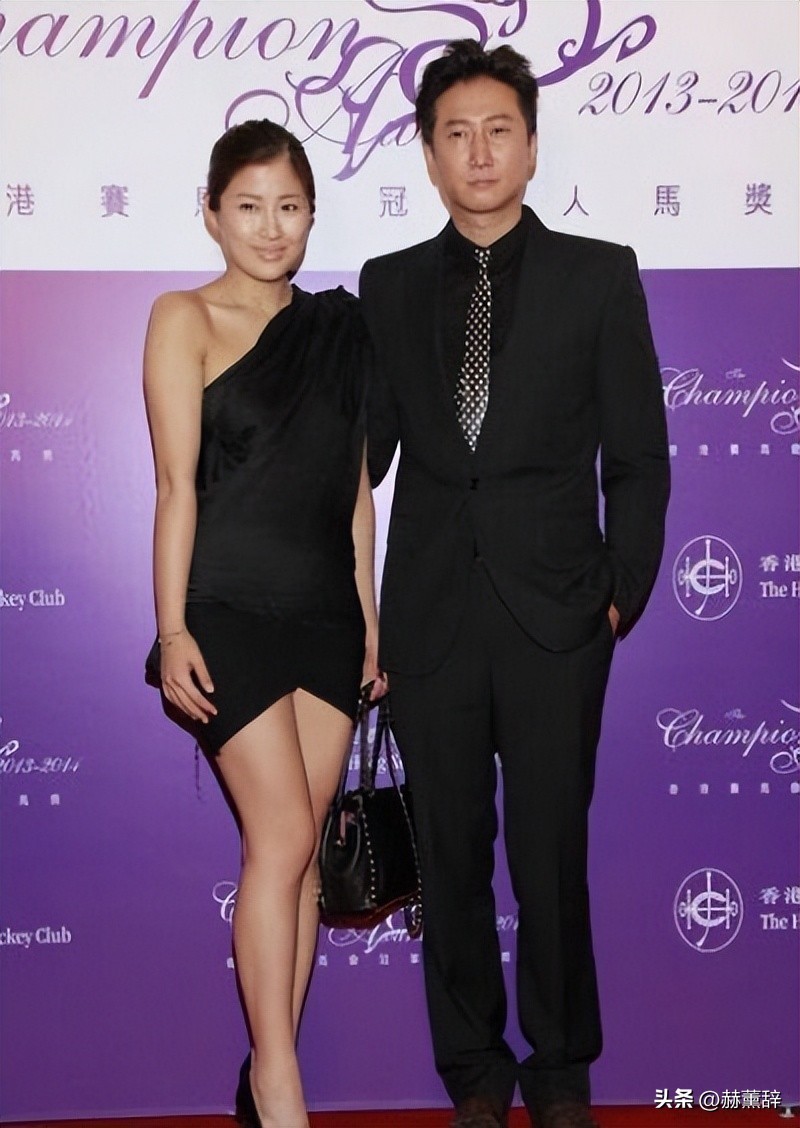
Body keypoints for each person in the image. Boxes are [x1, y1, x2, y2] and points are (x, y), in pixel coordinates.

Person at [360, 40, 669, 1128]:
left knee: (550, 860)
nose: (479, 152)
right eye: (456, 134)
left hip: (557, 621)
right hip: (430, 623)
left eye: (499, 131)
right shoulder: (388, 286)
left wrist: (618, 591)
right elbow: (363, 460)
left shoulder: (599, 273)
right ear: (429, 154)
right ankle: (476, 1076)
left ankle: (561, 1069)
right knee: (448, 862)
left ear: (531, 147)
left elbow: (638, 457)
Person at [143, 119, 384, 1128]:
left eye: (288, 206)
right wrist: (172, 631)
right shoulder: (182, 317)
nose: (270, 225)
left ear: (311, 214)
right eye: (248, 205)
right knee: (279, 836)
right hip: (228, 612)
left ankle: (263, 1074)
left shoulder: (340, 327)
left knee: (302, 861)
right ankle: (281, 1084)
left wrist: (370, 623)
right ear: (211, 213)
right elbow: (174, 486)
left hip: (328, 613)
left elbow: (356, 491)